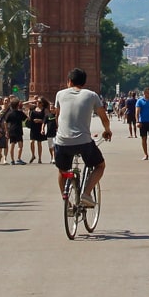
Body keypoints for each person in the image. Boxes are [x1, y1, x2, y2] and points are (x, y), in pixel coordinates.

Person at [53, 67, 112, 207]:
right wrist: (107, 130)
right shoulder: (91, 95)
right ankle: (86, 193)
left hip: (62, 141)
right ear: (84, 83)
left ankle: (66, 203)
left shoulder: (60, 94)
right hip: (83, 142)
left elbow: (57, 116)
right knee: (100, 165)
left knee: (62, 170)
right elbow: (104, 117)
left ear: (69, 81)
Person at [4, 97, 27, 165]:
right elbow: (26, 118)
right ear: (17, 105)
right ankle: (18, 159)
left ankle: (12, 160)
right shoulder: (20, 113)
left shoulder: (9, 113)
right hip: (19, 129)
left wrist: (7, 131)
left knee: (12, 144)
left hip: (11, 130)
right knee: (20, 145)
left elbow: (5, 122)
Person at [28, 97, 49, 163]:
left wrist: (40, 120)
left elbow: (47, 119)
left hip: (40, 127)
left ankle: (39, 158)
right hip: (33, 127)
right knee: (31, 142)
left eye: (39, 102)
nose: (38, 103)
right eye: (37, 102)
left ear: (42, 103)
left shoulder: (45, 110)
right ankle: (33, 155)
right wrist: (34, 100)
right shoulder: (33, 108)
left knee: (39, 143)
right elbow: (23, 104)